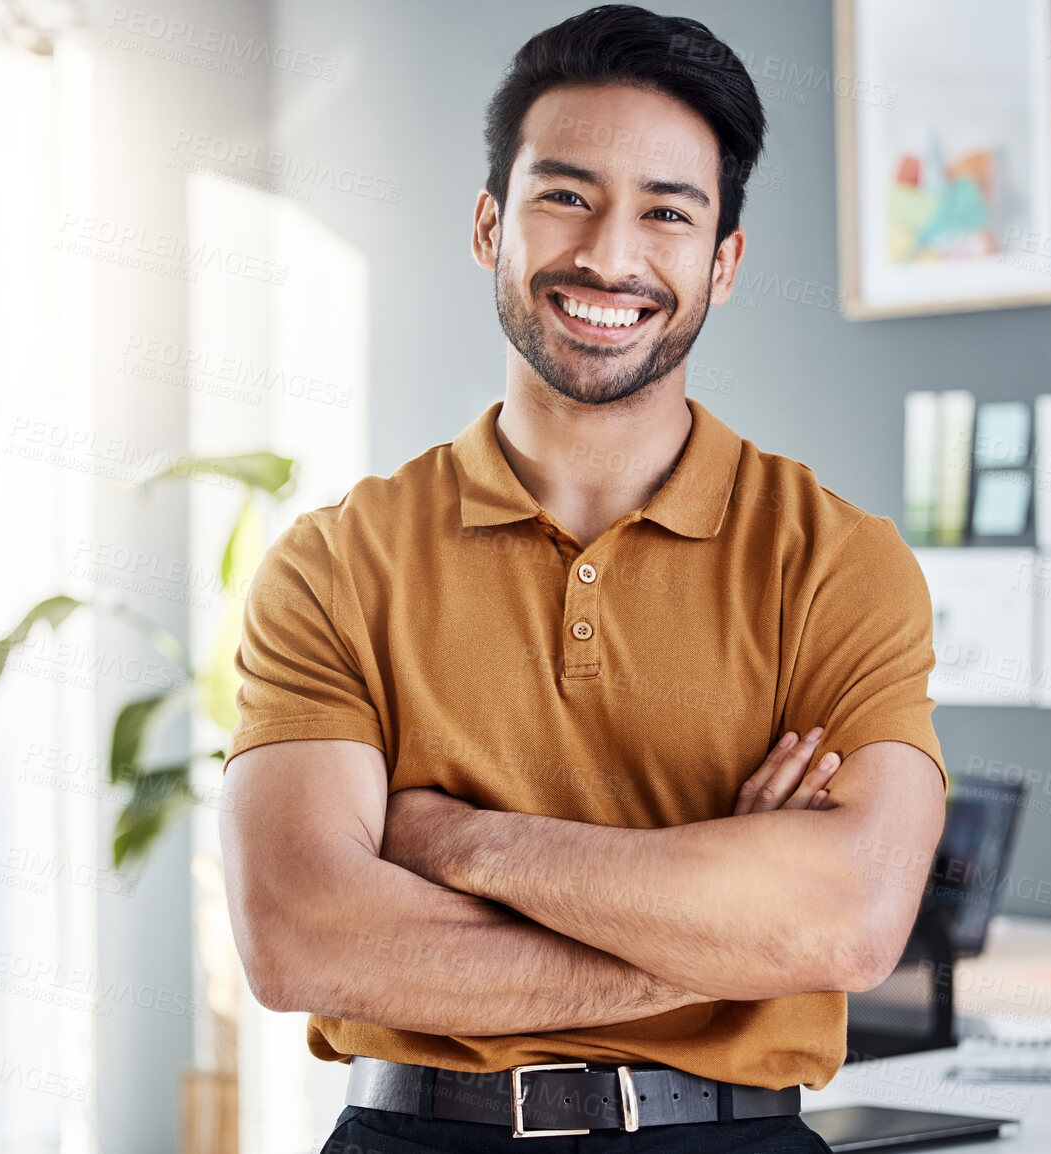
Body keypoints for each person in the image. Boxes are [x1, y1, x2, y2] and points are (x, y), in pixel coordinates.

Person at [219, 6, 948, 1151]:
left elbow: (849, 921)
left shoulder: (837, 563)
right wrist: (729, 938)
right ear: (488, 224)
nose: (610, 255)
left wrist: (463, 843)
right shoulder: (334, 565)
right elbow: (303, 938)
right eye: (566, 195)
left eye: (667, 210)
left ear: (725, 262)